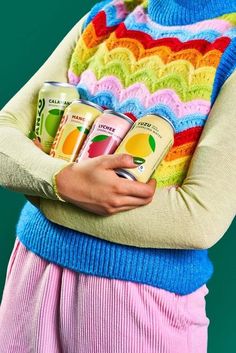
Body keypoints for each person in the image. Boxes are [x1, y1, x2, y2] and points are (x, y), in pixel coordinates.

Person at [0, 0, 236, 352]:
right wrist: (62, 181)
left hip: (141, 302)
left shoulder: (228, 45)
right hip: (31, 276)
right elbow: (4, 139)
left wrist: (45, 189)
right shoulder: (107, 15)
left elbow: (197, 219)